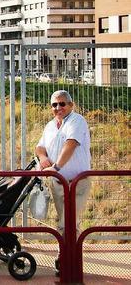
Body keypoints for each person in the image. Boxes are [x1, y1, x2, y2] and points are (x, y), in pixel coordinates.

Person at [36, 90, 91, 235]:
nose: (58, 108)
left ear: (71, 105)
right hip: (58, 183)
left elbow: (71, 143)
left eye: (62, 104)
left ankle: (70, 256)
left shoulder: (77, 120)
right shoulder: (49, 126)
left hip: (77, 183)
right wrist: (43, 158)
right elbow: (40, 147)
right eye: (54, 104)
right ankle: (67, 254)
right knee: (63, 220)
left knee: (69, 221)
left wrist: (56, 167)